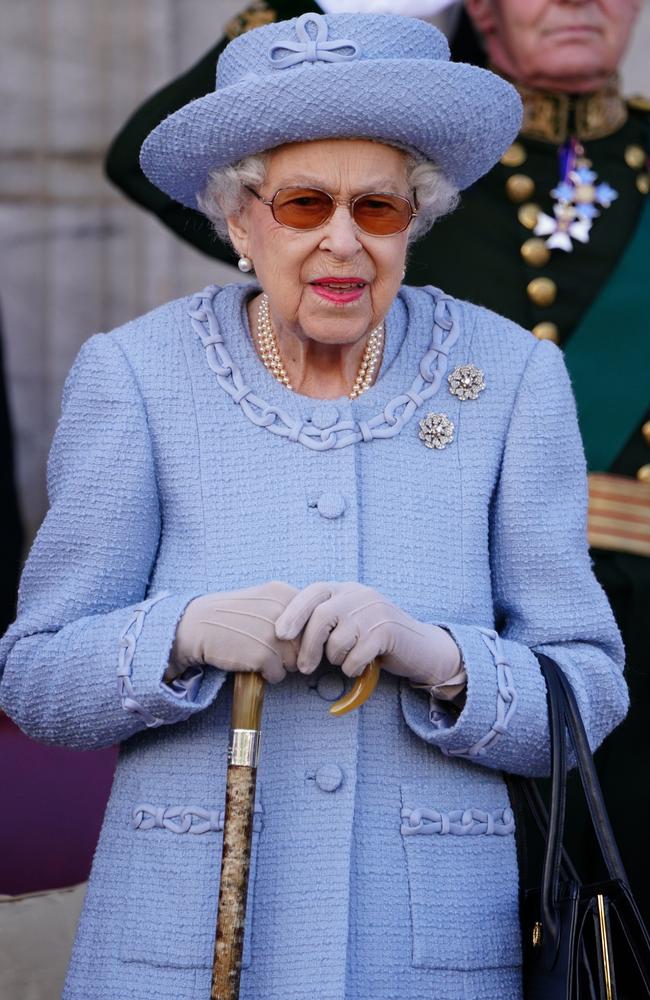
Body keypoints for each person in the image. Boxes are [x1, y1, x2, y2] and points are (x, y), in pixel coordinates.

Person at [0, 12, 628, 1000]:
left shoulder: (510, 379)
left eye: (376, 209)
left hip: (424, 953)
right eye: (304, 203)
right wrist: (187, 631)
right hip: (182, 943)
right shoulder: (135, 374)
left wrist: (438, 656)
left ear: (413, 219)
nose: (343, 239)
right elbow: (37, 678)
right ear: (240, 220)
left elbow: (585, 689)